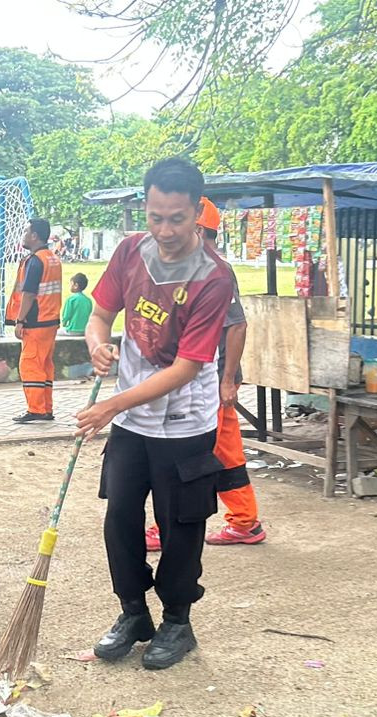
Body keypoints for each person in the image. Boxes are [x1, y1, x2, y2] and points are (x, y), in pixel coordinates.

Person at [75, 158, 235, 671]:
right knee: (120, 518)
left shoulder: (213, 277)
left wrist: (111, 404)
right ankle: (133, 613)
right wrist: (97, 344)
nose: (165, 231)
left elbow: (187, 367)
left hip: (184, 424)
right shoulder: (130, 251)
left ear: (197, 212)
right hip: (130, 424)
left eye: (177, 219)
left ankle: (177, 622)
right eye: (156, 217)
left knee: (180, 526)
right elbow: (101, 314)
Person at [150, 198, 265, 550]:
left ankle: (168, 525)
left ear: (197, 228)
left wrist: (227, 381)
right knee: (225, 451)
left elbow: (237, 326)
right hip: (200, 378)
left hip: (212, 380)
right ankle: (245, 521)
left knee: (182, 448)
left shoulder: (214, 269)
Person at [6, 217, 63, 424]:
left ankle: (36, 409)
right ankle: (45, 408)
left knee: (30, 364)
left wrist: (19, 321)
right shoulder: (52, 258)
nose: (23, 235)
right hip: (50, 320)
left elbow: (29, 294)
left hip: (36, 322)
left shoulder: (35, 261)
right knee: (45, 365)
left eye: (26, 232)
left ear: (34, 236)